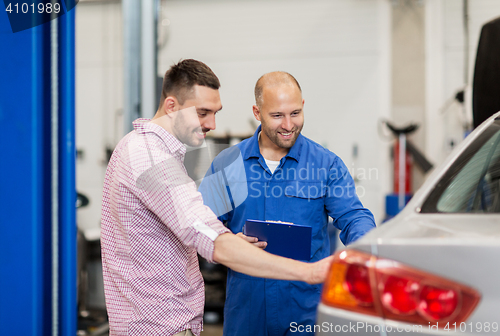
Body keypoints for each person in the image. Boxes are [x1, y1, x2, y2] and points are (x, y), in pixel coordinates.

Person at [100, 60, 333, 336]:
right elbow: (211, 238)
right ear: (172, 106)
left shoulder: (138, 146)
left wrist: (228, 241)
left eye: (214, 112)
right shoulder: (151, 159)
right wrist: (310, 273)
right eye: (202, 113)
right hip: (159, 327)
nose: (211, 124)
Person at [199, 71, 376, 336]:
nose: (288, 124)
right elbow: (201, 226)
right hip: (247, 311)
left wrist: (366, 250)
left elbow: (353, 216)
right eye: (277, 116)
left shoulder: (326, 164)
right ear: (257, 113)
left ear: (303, 105)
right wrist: (229, 239)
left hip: (305, 312)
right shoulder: (227, 164)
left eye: (295, 113)